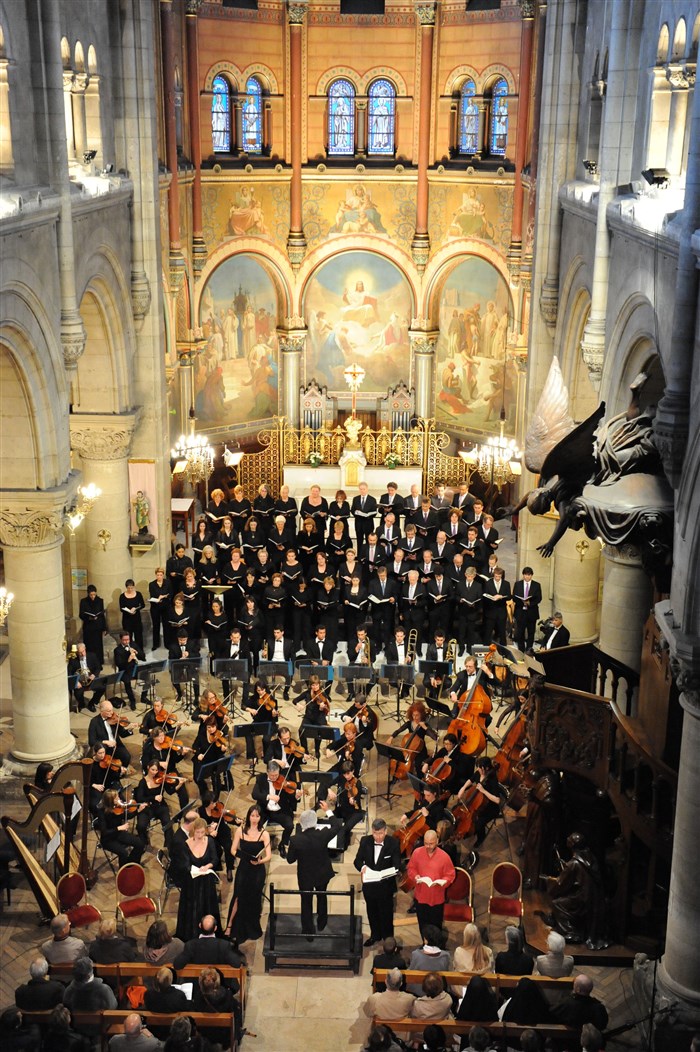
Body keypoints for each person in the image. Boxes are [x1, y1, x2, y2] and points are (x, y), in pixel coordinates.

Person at [286, 807, 343, 938]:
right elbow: (337, 826)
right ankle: (322, 923)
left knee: (306, 902)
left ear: (301, 823)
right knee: (322, 897)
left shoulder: (295, 840)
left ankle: (308, 931)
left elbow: (290, 860)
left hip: (305, 876)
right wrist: (328, 811)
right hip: (322, 873)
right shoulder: (323, 834)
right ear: (315, 821)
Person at [545, 831, 608, 948]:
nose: (567, 839)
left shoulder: (574, 863)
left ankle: (571, 933)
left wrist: (549, 880)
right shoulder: (591, 858)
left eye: (570, 839)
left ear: (572, 844)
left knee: (557, 903)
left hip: (583, 900)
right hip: (595, 899)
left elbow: (560, 884)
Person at [224, 804, 271, 945]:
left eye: (257, 816)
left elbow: (268, 856)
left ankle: (251, 927)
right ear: (248, 816)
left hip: (257, 870)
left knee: (253, 898)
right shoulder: (240, 831)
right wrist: (243, 856)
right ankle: (231, 926)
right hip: (244, 867)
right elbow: (233, 850)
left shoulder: (264, 834)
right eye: (252, 815)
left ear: (260, 818)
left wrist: (260, 861)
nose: (254, 819)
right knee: (238, 896)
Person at [354, 818, 402, 947]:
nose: (378, 836)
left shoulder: (393, 843)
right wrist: (363, 867)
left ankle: (388, 940)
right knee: (372, 912)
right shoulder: (365, 841)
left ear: (385, 831)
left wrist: (388, 872)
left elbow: (397, 864)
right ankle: (375, 935)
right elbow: (357, 861)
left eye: (380, 833)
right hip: (370, 886)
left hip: (385, 887)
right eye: (375, 833)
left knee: (386, 914)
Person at [174, 818, 222, 942]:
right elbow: (185, 864)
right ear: (193, 831)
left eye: (202, 832)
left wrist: (207, 866)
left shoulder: (210, 841)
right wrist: (194, 869)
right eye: (197, 832)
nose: (200, 835)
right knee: (192, 908)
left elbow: (215, 859)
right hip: (192, 882)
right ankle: (192, 935)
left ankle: (209, 931)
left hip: (207, 881)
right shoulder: (186, 844)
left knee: (207, 906)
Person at [407, 830, 456, 934]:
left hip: (436, 898)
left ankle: (436, 943)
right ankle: (424, 942)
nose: (428, 846)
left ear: (437, 841)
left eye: (431, 843)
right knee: (422, 924)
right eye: (426, 843)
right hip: (420, 897)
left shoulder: (444, 856)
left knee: (436, 926)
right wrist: (415, 876)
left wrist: (444, 881)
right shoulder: (417, 853)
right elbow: (411, 868)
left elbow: (450, 875)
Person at [456, 757, 502, 869]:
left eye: (480, 768)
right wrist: (463, 788)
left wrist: (483, 791)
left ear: (486, 768)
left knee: (478, 823)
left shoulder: (492, 779)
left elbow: (497, 800)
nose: (478, 769)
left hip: (490, 808)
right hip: (477, 805)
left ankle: (481, 837)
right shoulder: (478, 773)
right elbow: (471, 780)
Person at [252, 759, 300, 857]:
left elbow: (290, 797)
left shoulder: (283, 779)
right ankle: (258, 843)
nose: (274, 778)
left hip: (280, 810)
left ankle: (282, 844)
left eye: (276, 775)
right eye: (272, 775)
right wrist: (269, 796)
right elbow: (255, 794)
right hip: (264, 810)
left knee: (290, 826)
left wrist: (296, 796)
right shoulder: (260, 778)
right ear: (267, 772)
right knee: (254, 823)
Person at [192, 966, 241, 1049]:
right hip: (224, 1036)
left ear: (201, 982)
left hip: (205, 1034)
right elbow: (236, 1014)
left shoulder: (197, 997)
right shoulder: (227, 995)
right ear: (217, 981)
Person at [173, 913, 243, 970]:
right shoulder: (224, 945)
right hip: (218, 981)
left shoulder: (190, 945)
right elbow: (237, 963)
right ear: (215, 928)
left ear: (200, 926)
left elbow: (177, 965)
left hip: (196, 982)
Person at [88, 699, 134, 767]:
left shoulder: (114, 718)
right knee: (105, 764)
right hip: (104, 748)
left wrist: (130, 729)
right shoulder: (94, 722)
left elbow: (122, 734)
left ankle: (121, 770)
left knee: (127, 757)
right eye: (108, 711)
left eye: (112, 710)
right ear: (101, 711)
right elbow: (91, 741)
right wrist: (105, 742)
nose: (112, 713)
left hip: (116, 745)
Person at [407, 925, 451, 991]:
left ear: (426, 940)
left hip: (419, 991)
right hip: (438, 989)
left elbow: (411, 972)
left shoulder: (416, 954)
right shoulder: (445, 956)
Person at [114, 631, 149, 711]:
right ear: (120, 640)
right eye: (124, 640)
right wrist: (129, 659)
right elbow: (119, 664)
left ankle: (143, 697)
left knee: (147, 677)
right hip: (124, 670)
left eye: (128, 639)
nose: (127, 642)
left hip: (134, 668)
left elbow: (143, 657)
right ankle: (132, 700)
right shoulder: (117, 650)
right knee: (127, 681)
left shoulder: (133, 645)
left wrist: (136, 652)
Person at [67, 642, 105, 712]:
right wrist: (76, 682)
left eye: (83, 651)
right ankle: (82, 704)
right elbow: (69, 672)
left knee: (102, 688)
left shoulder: (92, 656)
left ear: (85, 649)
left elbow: (98, 667)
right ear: (77, 652)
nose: (82, 654)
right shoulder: (73, 659)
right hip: (80, 682)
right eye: (80, 652)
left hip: (91, 679)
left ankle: (92, 703)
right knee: (78, 693)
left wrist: (94, 675)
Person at [512, 567, 542, 652]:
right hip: (520, 611)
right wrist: (522, 602)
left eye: (529, 575)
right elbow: (514, 597)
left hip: (531, 612)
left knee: (531, 632)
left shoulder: (536, 585)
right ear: (523, 575)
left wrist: (529, 603)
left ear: (531, 575)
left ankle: (529, 649)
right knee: (520, 632)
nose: (527, 577)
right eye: (525, 575)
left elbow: (539, 598)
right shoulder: (518, 584)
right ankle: (521, 650)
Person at [79, 584, 107, 669]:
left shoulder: (100, 601)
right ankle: (90, 664)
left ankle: (99, 664)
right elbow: (81, 614)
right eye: (91, 595)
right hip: (88, 627)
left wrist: (104, 628)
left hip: (97, 627)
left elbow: (102, 614)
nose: (93, 596)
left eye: (94, 594)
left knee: (98, 646)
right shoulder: (84, 601)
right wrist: (89, 617)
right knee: (89, 646)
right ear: (88, 594)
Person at [119, 579, 146, 657]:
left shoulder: (138, 594)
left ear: (134, 587)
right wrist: (128, 611)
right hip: (127, 619)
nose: (130, 589)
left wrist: (135, 609)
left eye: (132, 588)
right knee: (128, 637)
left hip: (136, 619)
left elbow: (142, 605)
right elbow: (121, 608)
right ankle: (130, 653)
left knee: (138, 636)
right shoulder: (122, 596)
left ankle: (140, 653)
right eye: (128, 588)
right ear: (126, 587)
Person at [148, 567, 171, 650]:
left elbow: (170, 593)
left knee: (166, 626)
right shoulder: (152, 584)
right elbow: (152, 595)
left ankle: (167, 644)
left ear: (163, 575)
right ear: (156, 575)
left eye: (161, 575)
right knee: (156, 626)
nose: (159, 576)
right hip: (155, 607)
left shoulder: (168, 583)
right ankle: (156, 644)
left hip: (166, 607)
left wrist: (164, 596)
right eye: (158, 575)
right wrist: (158, 598)